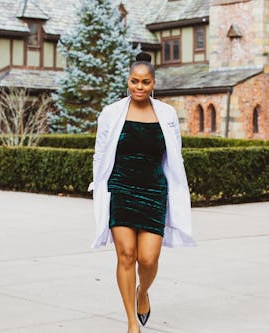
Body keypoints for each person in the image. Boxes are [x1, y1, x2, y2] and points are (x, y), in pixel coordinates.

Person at [88, 52, 196, 333]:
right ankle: (131, 322)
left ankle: (142, 292)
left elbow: (175, 155)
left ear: (153, 83)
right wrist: (98, 186)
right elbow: (100, 155)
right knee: (126, 254)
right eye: (134, 81)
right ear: (128, 80)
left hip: (154, 190)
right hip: (121, 188)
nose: (139, 87)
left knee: (148, 259)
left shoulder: (167, 114)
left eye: (145, 82)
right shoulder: (111, 113)